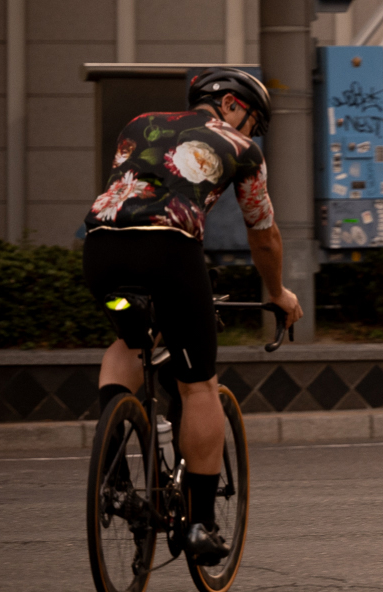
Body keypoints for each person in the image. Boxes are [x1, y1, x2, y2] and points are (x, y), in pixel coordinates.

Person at [82, 67, 304, 561]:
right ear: (229, 104)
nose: (252, 131)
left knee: (130, 343)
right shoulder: (242, 150)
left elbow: (131, 189)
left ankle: (114, 475)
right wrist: (279, 292)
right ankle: (201, 524)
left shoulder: (139, 123)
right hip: (168, 254)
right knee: (198, 384)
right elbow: (262, 233)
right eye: (252, 119)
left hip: (101, 253)